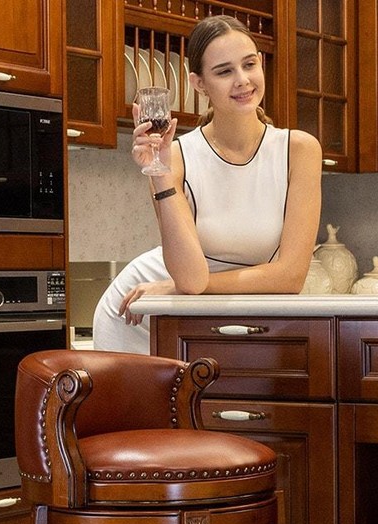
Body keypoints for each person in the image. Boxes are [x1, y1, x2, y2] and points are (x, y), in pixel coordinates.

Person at [92, 14, 322, 353]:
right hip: (143, 310)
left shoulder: (299, 150)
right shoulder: (175, 157)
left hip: (185, 297)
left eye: (249, 64)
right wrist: (158, 172)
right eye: (224, 71)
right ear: (199, 84)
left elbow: (290, 277)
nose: (242, 80)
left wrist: (179, 289)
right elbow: (190, 278)